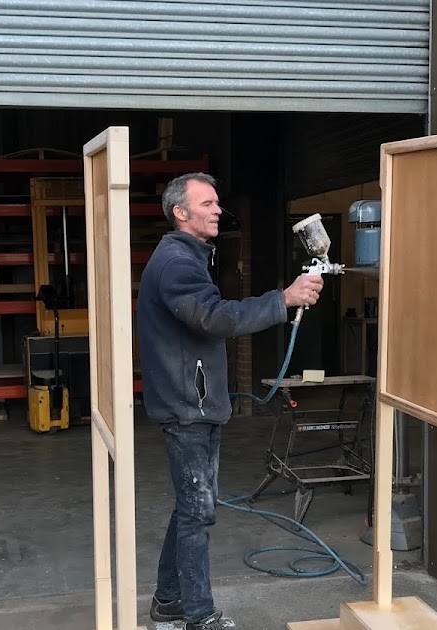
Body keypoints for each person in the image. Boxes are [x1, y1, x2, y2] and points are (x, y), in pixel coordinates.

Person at [136, 172, 324, 629]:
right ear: (181, 212)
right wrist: (283, 299)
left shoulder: (188, 257)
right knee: (198, 511)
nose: (218, 209)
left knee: (191, 506)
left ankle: (168, 601)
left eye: (217, 202)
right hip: (187, 406)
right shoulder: (177, 263)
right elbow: (214, 317)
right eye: (208, 203)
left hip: (193, 402)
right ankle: (199, 617)